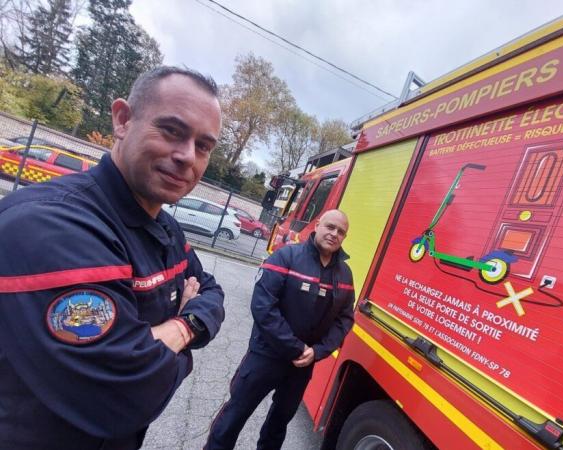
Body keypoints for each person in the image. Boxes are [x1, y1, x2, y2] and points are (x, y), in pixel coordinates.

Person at [0, 66, 226, 450]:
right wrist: (185, 331)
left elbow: (212, 292)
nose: (187, 156)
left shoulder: (167, 230)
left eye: (203, 146)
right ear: (122, 120)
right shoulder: (52, 225)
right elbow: (123, 393)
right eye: (172, 130)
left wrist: (168, 334)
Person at [205, 209, 355, 450]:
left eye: (341, 232)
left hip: (302, 366)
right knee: (235, 416)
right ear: (317, 225)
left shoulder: (345, 274)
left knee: (279, 424)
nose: (334, 234)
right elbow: (264, 307)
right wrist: (296, 348)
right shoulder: (286, 256)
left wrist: (317, 352)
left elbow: (345, 319)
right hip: (266, 356)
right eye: (330, 227)